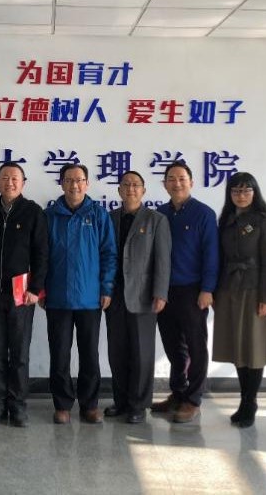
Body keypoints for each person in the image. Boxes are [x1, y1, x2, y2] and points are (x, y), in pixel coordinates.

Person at [44, 163, 117, 425]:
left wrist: (106, 288)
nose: (74, 185)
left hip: (90, 298)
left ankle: (90, 405)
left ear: (87, 183)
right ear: (61, 183)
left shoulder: (98, 215)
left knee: (89, 354)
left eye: (79, 180)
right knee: (59, 354)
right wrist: (40, 289)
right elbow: (40, 256)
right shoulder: (49, 216)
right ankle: (62, 405)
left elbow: (109, 254)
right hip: (57, 298)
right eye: (69, 180)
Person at [0, 162, 48, 427]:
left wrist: (35, 289)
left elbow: (42, 253)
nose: (9, 182)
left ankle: (18, 406)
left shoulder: (33, 212)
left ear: (23, 183)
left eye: (15, 178)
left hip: (22, 295)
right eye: (4, 178)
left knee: (19, 354)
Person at [153, 161, 218, 424]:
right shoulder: (160, 214)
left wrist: (207, 289)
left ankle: (194, 399)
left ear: (191, 182)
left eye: (181, 178)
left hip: (193, 290)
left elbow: (211, 255)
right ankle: (178, 393)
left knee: (196, 346)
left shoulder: (204, 214)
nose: (177, 183)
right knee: (173, 346)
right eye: (171, 178)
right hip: (164, 291)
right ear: (164, 184)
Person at [212, 172, 266, 428]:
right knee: (237, 347)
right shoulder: (226, 220)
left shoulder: (264, 221)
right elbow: (219, 259)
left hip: (254, 290)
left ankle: (250, 403)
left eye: (246, 190)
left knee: (254, 348)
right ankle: (243, 400)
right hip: (228, 289)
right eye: (236, 191)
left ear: (254, 192)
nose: (241, 196)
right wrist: (215, 291)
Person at [105, 171, 171, 424]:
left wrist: (160, 292)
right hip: (114, 295)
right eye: (126, 185)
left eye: (136, 185)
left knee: (142, 352)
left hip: (143, 295)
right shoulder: (110, 218)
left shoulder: (156, 220)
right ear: (119, 190)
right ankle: (121, 401)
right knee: (117, 351)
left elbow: (163, 260)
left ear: (143, 190)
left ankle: (139, 405)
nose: (130, 189)